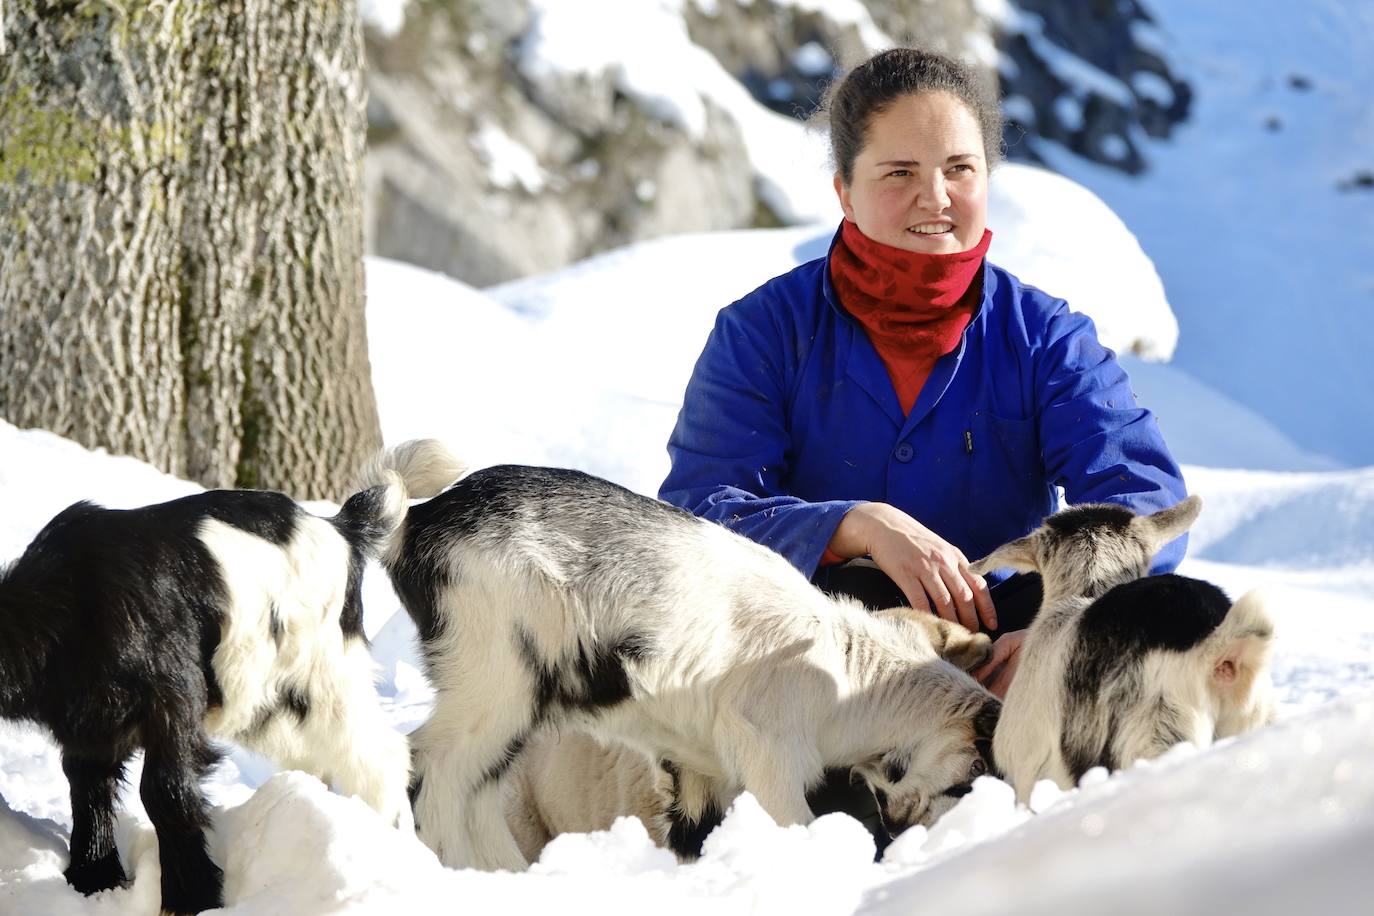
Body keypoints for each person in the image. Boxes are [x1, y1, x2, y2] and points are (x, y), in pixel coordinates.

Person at [658, 47, 1188, 848]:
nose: (935, 198)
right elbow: (693, 516)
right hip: (819, 671)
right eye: (899, 172)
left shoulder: (1045, 338)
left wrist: (1058, 634)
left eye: (959, 169)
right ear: (844, 189)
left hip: (1007, 661)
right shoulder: (762, 333)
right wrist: (852, 524)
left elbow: (1140, 500)